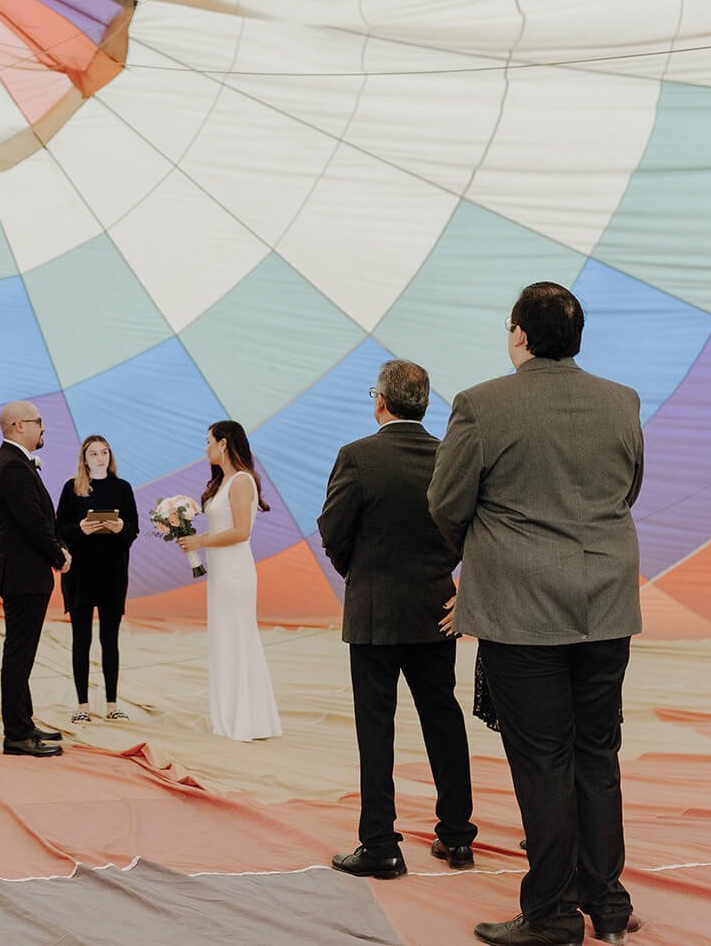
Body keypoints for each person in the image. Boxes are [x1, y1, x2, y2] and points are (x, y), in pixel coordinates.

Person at [429, 282, 645, 946]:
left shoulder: (481, 404)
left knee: (543, 757)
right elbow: (628, 486)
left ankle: (550, 912)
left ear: (520, 334)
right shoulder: (621, 401)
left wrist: (482, 552)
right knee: (596, 750)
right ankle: (606, 901)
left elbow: (445, 501)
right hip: (606, 603)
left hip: (522, 612)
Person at [317, 360, 477, 881]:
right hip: (437, 609)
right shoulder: (448, 456)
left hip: (374, 613)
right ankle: (456, 836)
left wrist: (359, 573)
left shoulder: (358, 456)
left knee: (376, 727)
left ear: (381, 402)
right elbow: (470, 530)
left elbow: (334, 531)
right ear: (425, 404)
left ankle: (381, 844)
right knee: (443, 719)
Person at [174, 421, 282, 742]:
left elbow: (241, 532)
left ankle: (247, 718)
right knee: (224, 638)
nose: (205, 447)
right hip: (221, 574)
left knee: (238, 637)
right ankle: (230, 713)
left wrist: (200, 542)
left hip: (235, 572)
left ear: (223, 443)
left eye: (208, 441)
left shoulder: (241, 482)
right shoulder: (223, 483)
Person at [0, 400, 71, 757]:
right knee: (19, 654)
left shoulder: (15, 463)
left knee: (22, 653)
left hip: (25, 574)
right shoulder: (12, 466)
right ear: (19, 426)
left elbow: (40, 518)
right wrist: (58, 555)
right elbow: (33, 521)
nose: (44, 428)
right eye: (39, 422)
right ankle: (17, 734)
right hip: (24, 576)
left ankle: (23, 720)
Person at [55, 436, 140, 723]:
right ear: (84, 458)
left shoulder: (122, 488)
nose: (100, 457)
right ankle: (82, 706)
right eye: (93, 453)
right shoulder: (72, 488)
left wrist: (120, 528)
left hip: (112, 573)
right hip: (80, 574)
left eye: (104, 452)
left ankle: (112, 704)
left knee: (110, 640)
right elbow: (59, 530)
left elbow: (134, 529)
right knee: (81, 640)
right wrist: (81, 529)